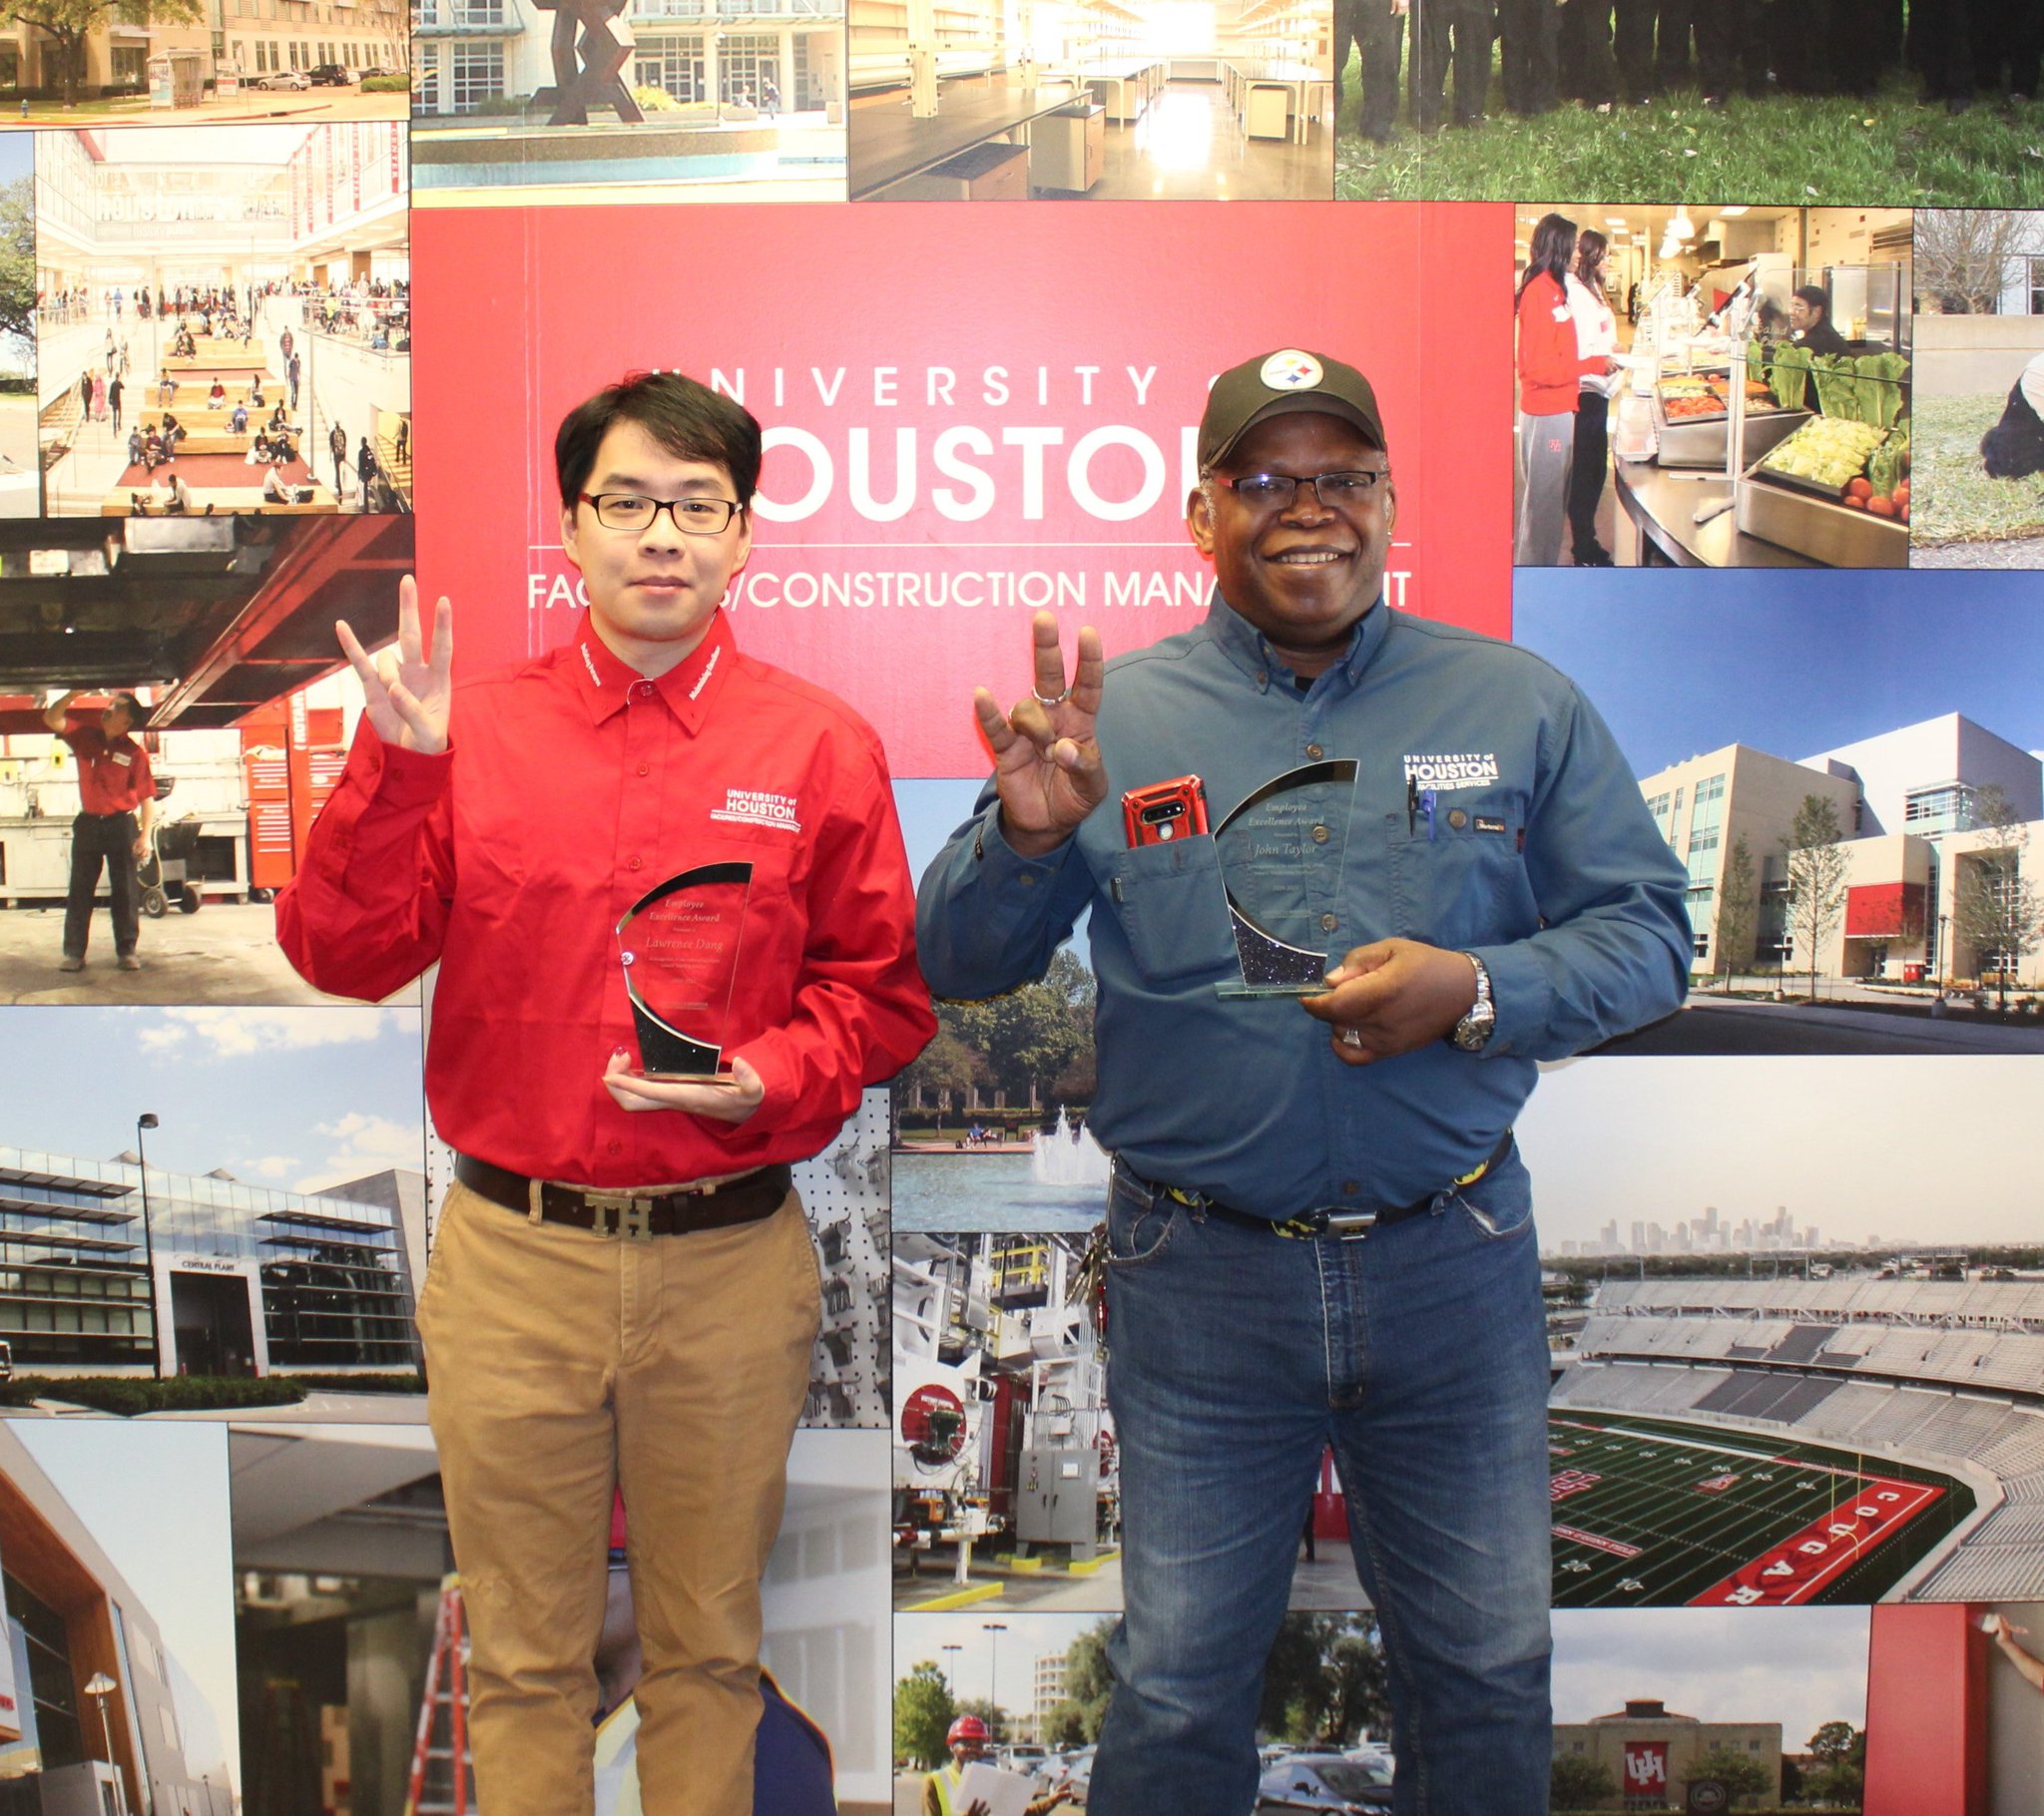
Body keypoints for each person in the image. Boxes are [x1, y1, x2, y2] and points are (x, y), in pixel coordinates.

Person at [915, 348, 1690, 1816]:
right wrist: (1022, 839)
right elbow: (955, 961)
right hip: (1197, 1281)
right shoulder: (1111, 720)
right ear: (1201, 514)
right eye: (1265, 479)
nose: (1308, 507)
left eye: (1342, 476)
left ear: (1389, 502)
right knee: (1175, 1685)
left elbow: (1650, 939)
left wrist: (1476, 989)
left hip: (1451, 1264)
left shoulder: (1518, 702)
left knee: (1485, 1673)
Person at [276, 370, 935, 1815]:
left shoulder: (820, 745)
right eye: (626, 501)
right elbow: (339, 954)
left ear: (743, 535)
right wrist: (398, 772)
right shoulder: (464, 729)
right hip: (513, 1264)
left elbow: (882, 999)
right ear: (570, 527)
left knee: (706, 1653)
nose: (662, 534)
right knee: (524, 1662)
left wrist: (767, 1075)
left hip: (728, 1266)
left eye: (698, 505)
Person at [43, 689, 156, 974]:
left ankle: (127, 951)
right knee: (80, 889)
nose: (109, 708)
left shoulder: (135, 754)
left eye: (117, 707)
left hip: (121, 825)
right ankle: (74, 953)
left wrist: (145, 836)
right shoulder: (84, 736)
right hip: (89, 824)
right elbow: (51, 718)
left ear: (127, 720)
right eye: (110, 703)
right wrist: (70, 696)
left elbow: (147, 797)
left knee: (125, 890)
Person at [1515, 213, 1598, 565]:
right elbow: (1537, 368)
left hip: (1559, 409)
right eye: (1574, 246)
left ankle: (1538, 569)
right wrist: (1592, 365)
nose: (1578, 253)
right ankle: (1536, 575)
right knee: (1545, 506)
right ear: (1559, 245)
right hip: (1547, 415)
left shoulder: (1554, 289)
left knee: (1549, 502)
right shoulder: (1540, 293)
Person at [1565, 228, 1620, 567]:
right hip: (1586, 390)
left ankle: (1587, 540)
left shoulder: (1593, 288)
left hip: (1600, 386)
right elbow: (1581, 346)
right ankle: (1583, 546)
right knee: (1587, 472)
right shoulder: (1576, 292)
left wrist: (1614, 349)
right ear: (1590, 256)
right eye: (1605, 255)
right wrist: (1605, 357)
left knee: (1596, 470)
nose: (1609, 260)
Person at [923, 1717, 1074, 1816]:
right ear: (952, 1746)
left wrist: (1052, 1800)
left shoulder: (990, 1779)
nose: (973, 1749)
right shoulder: (934, 1782)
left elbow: (1019, 1814)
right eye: (966, 1743)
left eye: (978, 1744)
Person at [1788, 284, 1849, 357]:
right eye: (1792, 306)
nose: (1791, 312)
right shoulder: (1827, 332)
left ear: (1817, 312)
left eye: (1798, 307)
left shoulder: (1816, 342)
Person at [328, 420, 347, 499]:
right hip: (342, 454)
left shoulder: (332, 433)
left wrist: (330, 456)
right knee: (341, 471)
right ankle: (337, 483)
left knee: (337, 472)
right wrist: (345, 456)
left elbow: (331, 446)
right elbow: (345, 445)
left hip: (336, 455)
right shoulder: (343, 432)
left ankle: (340, 491)